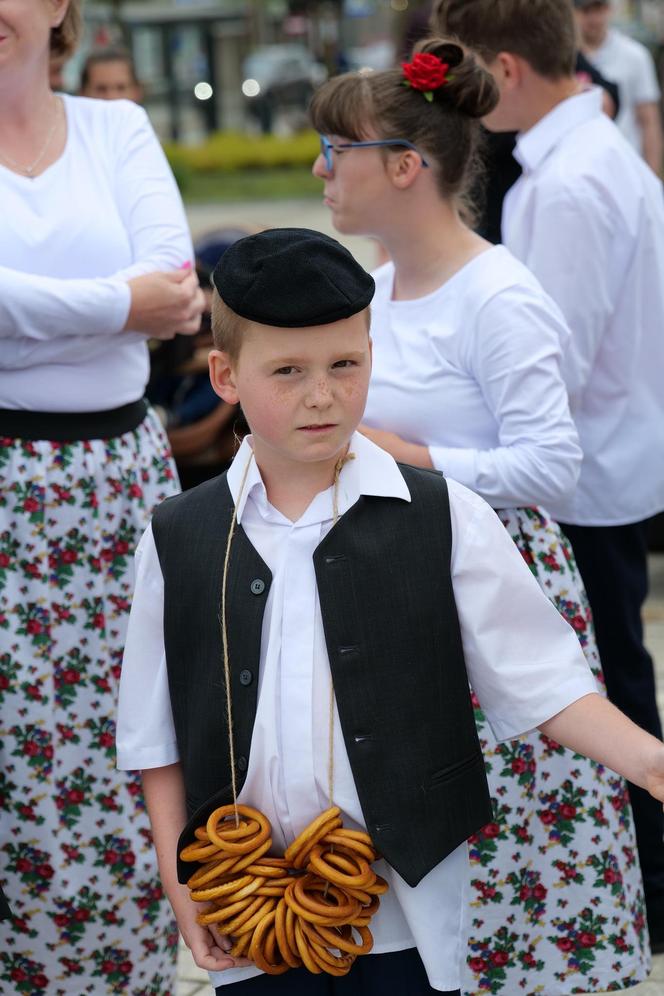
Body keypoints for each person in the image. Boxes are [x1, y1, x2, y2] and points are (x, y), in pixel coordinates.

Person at [116, 227, 664, 996]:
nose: (322, 394)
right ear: (225, 375)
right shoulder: (177, 538)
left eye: (346, 364)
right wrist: (184, 887)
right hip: (250, 912)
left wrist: (651, 762)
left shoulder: (446, 516)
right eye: (288, 371)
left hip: (409, 910)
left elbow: (547, 685)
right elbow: (156, 741)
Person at [310, 39, 650, 994]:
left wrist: (401, 457)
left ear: (406, 166)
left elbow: (552, 465)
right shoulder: (376, 290)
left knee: (515, 833)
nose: (320, 171)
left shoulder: (500, 296)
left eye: (338, 151)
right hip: (401, 586)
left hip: (496, 590)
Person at [433, 0, 664, 955]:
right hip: (612, 460)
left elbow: (548, 369)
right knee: (614, 682)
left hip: (587, 480)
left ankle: (643, 891)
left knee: (603, 693)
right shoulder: (585, 152)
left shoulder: (564, 182)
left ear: (503, 67)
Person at [0, 0, 205, 992]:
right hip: (6, 492)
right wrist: (118, 307)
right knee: (19, 757)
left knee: (135, 742)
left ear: (58, 8)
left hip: (121, 486)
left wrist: (38, 312)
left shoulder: (115, 127)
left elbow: (177, 288)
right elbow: (147, 301)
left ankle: (126, 973)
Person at [575, 0, 662, 172]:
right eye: (585, 11)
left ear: (608, 9)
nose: (593, 18)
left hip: (626, 167)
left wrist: (652, 176)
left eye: (597, 9)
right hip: (580, 168)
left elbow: (649, 120)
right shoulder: (563, 59)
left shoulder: (635, 56)